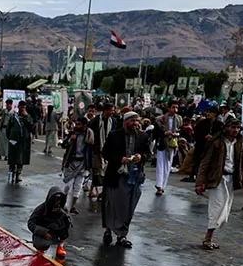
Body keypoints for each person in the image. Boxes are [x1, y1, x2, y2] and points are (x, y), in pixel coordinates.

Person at [195, 116, 243, 251]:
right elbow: (205, 163)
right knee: (217, 207)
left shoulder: (239, 143)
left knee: (225, 211)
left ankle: (210, 237)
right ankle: (208, 238)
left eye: (237, 127)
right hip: (218, 179)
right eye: (232, 127)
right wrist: (200, 182)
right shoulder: (216, 142)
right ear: (226, 128)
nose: (235, 130)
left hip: (231, 180)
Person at [99, 111, 148, 248]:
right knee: (113, 205)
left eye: (137, 121)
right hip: (116, 176)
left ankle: (122, 235)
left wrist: (140, 157)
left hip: (134, 177)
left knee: (128, 207)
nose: (135, 124)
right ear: (125, 122)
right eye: (132, 121)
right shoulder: (115, 135)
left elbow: (147, 154)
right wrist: (120, 159)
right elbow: (105, 153)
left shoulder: (142, 136)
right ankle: (108, 230)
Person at [60, 116, 95, 214]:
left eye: (79, 124)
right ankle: (62, 204)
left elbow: (91, 149)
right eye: (77, 124)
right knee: (67, 185)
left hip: (83, 163)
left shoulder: (89, 134)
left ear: (84, 125)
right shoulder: (73, 133)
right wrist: (71, 140)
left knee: (78, 186)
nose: (77, 126)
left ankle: (73, 206)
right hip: (71, 162)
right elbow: (63, 144)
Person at [28, 186, 71, 259]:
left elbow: (67, 225)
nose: (58, 202)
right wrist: (43, 232)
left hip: (55, 230)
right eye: (56, 200)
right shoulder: (41, 209)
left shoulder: (63, 210)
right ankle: (41, 247)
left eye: (60, 200)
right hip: (44, 230)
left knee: (65, 224)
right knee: (40, 244)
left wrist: (63, 216)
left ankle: (60, 246)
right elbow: (30, 223)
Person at [2, 100, 33, 184]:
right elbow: (8, 128)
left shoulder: (28, 117)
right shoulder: (13, 116)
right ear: (18, 107)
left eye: (24, 107)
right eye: (21, 107)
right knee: (12, 158)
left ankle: (18, 174)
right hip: (14, 140)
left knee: (21, 159)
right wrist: (10, 137)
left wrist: (26, 116)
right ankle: (11, 173)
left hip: (23, 141)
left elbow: (31, 126)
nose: (23, 108)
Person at [155, 102, 182, 195]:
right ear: (169, 108)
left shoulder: (179, 119)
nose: (175, 109)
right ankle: (159, 185)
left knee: (168, 165)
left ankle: (163, 185)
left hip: (172, 144)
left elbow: (180, 130)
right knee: (160, 165)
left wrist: (175, 134)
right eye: (173, 107)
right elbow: (156, 132)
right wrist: (164, 133)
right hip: (162, 143)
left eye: (176, 107)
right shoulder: (160, 119)